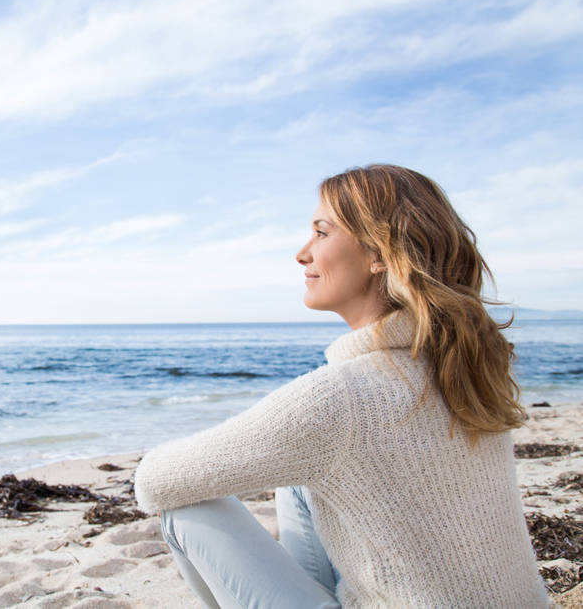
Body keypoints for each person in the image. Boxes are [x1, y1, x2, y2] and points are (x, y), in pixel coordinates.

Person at [133, 165, 548, 608]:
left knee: (187, 508)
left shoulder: (342, 397)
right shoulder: (463, 366)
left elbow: (153, 483)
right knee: (299, 481)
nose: (302, 253)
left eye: (321, 233)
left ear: (379, 255)